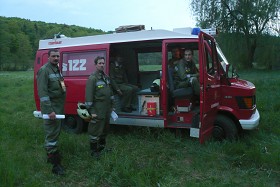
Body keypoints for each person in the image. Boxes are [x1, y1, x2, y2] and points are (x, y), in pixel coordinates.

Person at [36, 48, 66, 175]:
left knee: (55, 132)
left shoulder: (56, 69)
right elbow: (43, 93)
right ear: (48, 57)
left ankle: (52, 154)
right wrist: (49, 111)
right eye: (53, 56)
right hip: (51, 109)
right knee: (51, 135)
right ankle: (54, 165)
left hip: (58, 107)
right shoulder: (44, 70)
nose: (56, 58)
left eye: (57, 56)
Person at [85, 56, 115, 159]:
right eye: (100, 63)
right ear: (95, 64)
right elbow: (88, 99)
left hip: (106, 109)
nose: (102, 65)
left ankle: (102, 148)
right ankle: (93, 152)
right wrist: (92, 111)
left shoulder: (106, 77)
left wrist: (112, 106)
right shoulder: (92, 78)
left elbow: (110, 93)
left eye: (103, 63)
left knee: (104, 130)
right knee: (95, 131)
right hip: (97, 110)